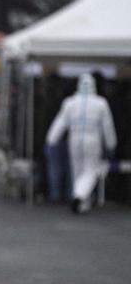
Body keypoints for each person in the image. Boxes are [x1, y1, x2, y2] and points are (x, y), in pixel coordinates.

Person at [46, 73, 117, 213]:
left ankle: (81, 202)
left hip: (75, 138)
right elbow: (107, 126)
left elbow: (60, 123)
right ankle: (80, 195)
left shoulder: (70, 102)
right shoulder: (101, 103)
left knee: (77, 171)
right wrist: (111, 145)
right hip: (93, 139)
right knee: (90, 170)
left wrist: (51, 141)